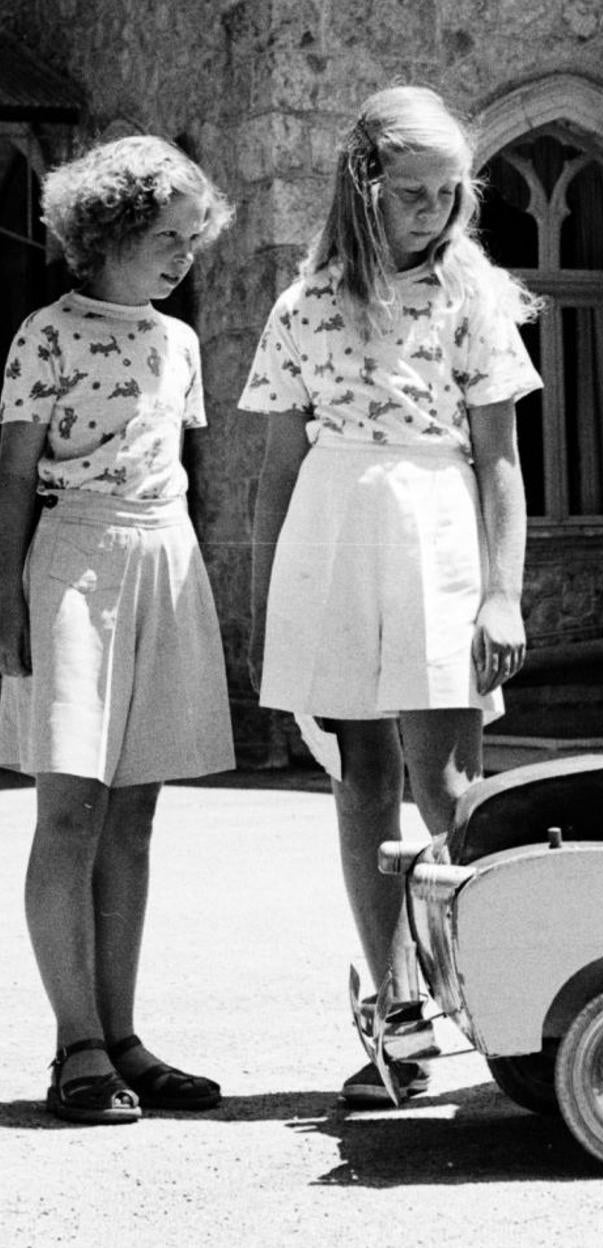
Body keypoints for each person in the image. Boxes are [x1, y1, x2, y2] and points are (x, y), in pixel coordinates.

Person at [242, 86, 541, 1108]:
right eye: (412, 192)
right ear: (363, 187)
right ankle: (396, 1008)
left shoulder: (475, 296)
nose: (433, 210)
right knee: (358, 773)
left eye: (450, 193)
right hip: (334, 537)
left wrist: (503, 595)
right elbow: (276, 469)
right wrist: (261, 601)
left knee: (447, 781)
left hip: (435, 531)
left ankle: (497, 994)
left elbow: (501, 466)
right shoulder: (305, 305)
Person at [0, 136, 236, 1124]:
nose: (181, 257)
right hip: (75, 558)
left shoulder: (180, 344)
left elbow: (180, 468)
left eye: (192, 239)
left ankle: (124, 1038)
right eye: (162, 238)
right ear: (102, 235)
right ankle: (75, 1046)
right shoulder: (44, 335)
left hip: (161, 553)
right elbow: (14, 473)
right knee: (71, 809)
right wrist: (5, 594)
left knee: (135, 812)